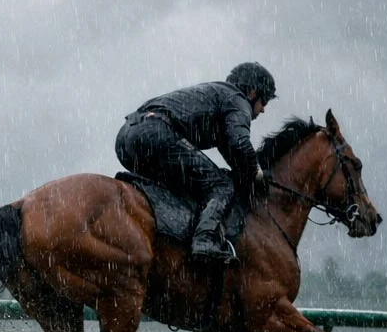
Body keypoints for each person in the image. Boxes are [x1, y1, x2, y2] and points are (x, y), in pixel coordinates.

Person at [115, 62, 276, 261]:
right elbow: (240, 143)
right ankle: (204, 241)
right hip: (156, 133)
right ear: (252, 93)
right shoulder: (237, 100)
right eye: (264, 102)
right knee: (222, 186)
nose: (263, 111)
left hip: (126, 138)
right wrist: (257, 173)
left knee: (184, 185)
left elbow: (234, 155)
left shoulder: (220, 96)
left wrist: (246, 171)